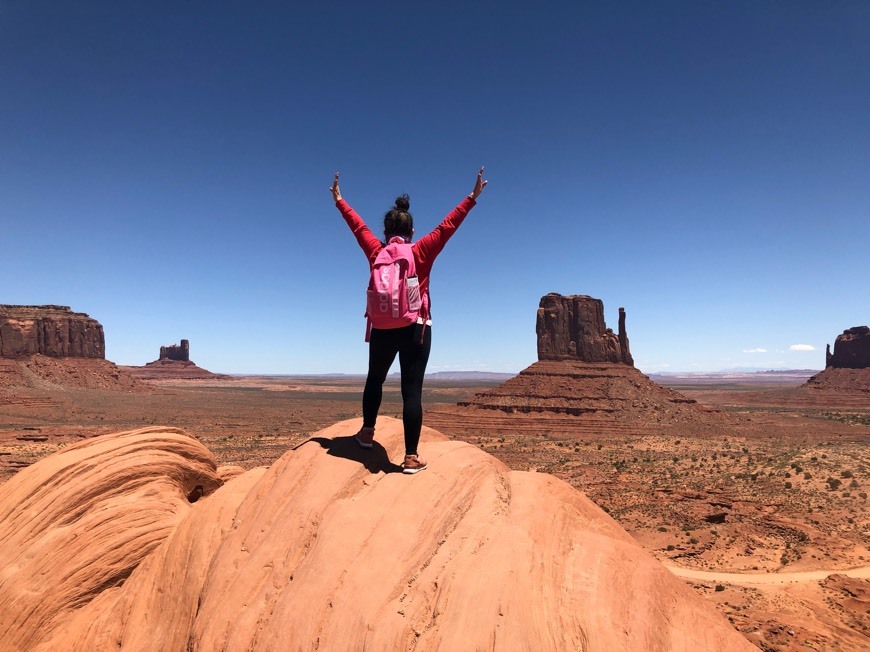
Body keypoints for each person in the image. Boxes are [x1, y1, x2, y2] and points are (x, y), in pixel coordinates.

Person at [330, 167, 488, 474]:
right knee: (411, 391)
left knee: (374, 380)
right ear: (411, 232)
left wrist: (340, 200)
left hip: (381, 328)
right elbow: (447, 227)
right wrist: (471, 197)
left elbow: (358, 227)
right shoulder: (421, 250)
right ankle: (411, 457)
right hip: (415, 327)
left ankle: (366, 433)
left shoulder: (376, 250)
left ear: (387, 232)